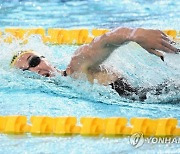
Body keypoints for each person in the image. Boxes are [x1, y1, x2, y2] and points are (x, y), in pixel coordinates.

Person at [10, 27, 179, 100]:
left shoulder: (77, 66)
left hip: (164, 94)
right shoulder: (65, 88)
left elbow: (106, 40)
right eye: (26, 71)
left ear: (45, 58)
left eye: (34, 61)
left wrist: (136, 34)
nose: (35, 70)